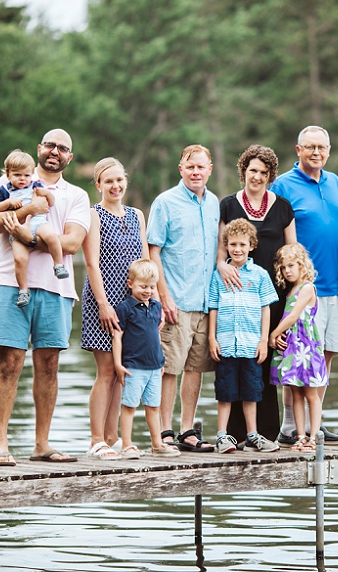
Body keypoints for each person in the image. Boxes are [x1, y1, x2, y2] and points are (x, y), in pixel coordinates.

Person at [0, 129, 90, 466]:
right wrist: (16, 217)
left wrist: (24, 235)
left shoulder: (75, 195)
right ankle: (1, 445)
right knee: (9, 363)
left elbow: (71, 244)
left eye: (63, 148)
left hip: (56, 290)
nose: (55, 151)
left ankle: (41, 444)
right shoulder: (11, 180)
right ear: (39, 149)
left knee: (49, 366)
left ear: (69, 157)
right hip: (10, 283)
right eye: (50, 145)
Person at [270, 125, 338, 446]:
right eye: (310, 147)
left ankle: (317, 423)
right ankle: (290, 425)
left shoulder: (336, 182)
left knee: (323, 355)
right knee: (295, 356)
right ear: (298, 150)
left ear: (329, 151)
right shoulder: (284, 185)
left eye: (322, 147)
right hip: (301, 289)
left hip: (334, 285)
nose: (317, 152)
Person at [216, 145, 295, 443]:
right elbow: (220, 250)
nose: (257, 177)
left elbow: (292, 252)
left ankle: (265, 431)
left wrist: (294, 297)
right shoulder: (228, 205)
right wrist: (222, 267)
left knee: (264, 360)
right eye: (252, 171)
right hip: (236, 298)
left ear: (271, 175)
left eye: (263, 172)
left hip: (273, 298)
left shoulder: (283, 207)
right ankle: (232, 433)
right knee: (236, 359)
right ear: (243, 171)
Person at [147, 145, 219, 452]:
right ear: (181, 168)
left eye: (201, 167)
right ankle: (164, 431)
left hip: (205, 302)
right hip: (176, 302)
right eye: (190, 167)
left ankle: (187, 429)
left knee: (195, 368)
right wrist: (164, 297)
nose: (196, 172)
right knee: (170, 367)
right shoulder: (166, 202)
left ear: (210, 170)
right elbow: (153, 251)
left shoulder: (215, 203)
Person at [80, 157, 149, 460]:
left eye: (119, 180)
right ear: (99, 185)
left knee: (124, 372)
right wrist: (103, 304)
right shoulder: (93, 215)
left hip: (133, 305)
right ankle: (97, 440)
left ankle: (113, 437)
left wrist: (152, 303)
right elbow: (92, 262)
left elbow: (146, 263)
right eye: (108, 181)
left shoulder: (136, 215)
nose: (115, 185)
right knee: (106, 371)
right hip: (103, 302)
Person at [209, 219, 280, 453]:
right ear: (226, 246)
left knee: (251, 391)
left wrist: (263, 340)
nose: (237, 249)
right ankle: (222, 436)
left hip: (251, 345)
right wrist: (212, 338)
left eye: (242, 244)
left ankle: (252, 435)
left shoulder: (259, 275)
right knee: (225, 392)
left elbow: (265, 308)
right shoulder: (218, 275)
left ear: (252, 246)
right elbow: (213, 307)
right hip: (226, 344)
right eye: (232, 244)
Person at [113, 259, 181, 458]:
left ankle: (157, 444)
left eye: (151, 287)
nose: (148, 291)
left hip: (155, 367)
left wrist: (160, 359)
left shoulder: (155, 307)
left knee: (153, 406)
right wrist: (118, 364)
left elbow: (155, 335)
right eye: (143, 286)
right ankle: (126, 444)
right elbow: (118, 337)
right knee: (130, 405)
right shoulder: (125, 308)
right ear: (130, 284)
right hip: (134, 365)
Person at [0, 149, 70, 307]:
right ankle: (23, 290)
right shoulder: (4, 191)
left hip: (38, 223)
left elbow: (51, 202)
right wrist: (7, 204)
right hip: (17, 230)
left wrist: (45, 193)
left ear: (32, 175)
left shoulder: (36, 186)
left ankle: (58, 264)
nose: (22, 179)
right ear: (8, 175)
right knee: (19, 259)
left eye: (26, 175)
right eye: (17, 175)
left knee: (52, 237)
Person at [269, 244, 327, 452]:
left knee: (311, 394)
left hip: (307, 347)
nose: (288, 271)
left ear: (302, 265)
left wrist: (273, 334)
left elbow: (293, 316)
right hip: (292, 349)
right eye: (284, 268)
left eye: (292, 266)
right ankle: (300, 436)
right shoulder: (289, 290)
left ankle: (314, 436)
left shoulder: (307, 288)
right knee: (296, 394)